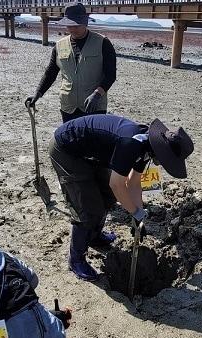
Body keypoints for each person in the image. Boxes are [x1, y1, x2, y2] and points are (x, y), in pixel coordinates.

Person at [48, 114, 194, 281]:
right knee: (87, 208)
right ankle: (76, 260)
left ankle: (94, 236)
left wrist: (139, 215)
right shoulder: (132, 143)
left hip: (90, 153)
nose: (163, 164)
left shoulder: (146, 146)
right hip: (66, 149)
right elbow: (117, 185)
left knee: (107, 196)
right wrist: (134, 211)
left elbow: (133, 182)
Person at [25, 2, 117, 122]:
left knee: (93, 141)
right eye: (69, 25)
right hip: (68, 107)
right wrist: (38, 93)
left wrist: (97, 93)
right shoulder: (59, 45)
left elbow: (111, 75)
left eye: (76, 25)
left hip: (94, 107)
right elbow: (51, 73)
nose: (72, 29)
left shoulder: (103, 43)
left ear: (85, 22)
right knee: (70, 140)